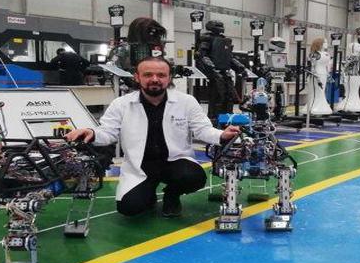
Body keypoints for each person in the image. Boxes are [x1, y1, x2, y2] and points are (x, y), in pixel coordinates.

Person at [65, 56, 241, 218]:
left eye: (161, 75)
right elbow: (108, 132)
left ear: (169, 78)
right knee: (129, 208)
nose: (155, 79)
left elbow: (202, 130)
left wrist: (221, 135)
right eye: (148, 74)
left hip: (175, 163)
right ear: (137, 77)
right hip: (140, 166)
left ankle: (172, 195)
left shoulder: (186, 102)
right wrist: (92, 133)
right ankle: (148, 195)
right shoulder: (121, 104)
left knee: (194, 177)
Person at [196, 20, 247, 120]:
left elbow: (230, 57)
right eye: (218, 26)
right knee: (218, 97)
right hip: (214, 73)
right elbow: (203, 56)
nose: (220, 28)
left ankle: (227, 119)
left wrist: (240, 67)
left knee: (230, 96)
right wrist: (211, 68)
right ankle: (214, 119)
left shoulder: (225, 40)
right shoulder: (206, 39)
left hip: (225, 72)